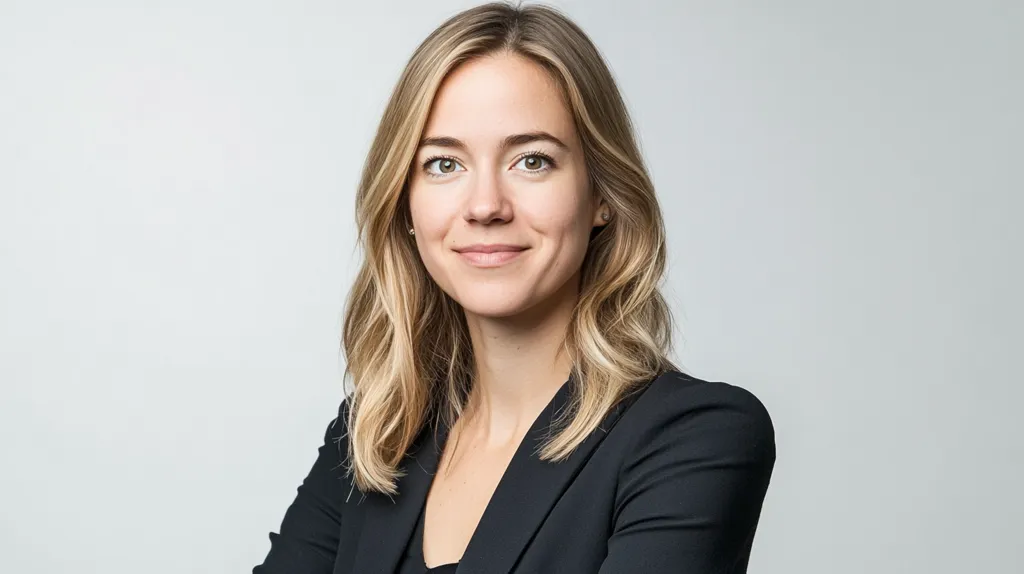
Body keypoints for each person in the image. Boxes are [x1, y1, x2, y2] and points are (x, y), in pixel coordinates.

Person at [253, 2, 776, 573]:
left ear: (602, 194)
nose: (485, 207)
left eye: (532, 160)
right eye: (444, 165)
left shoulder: (695, 439)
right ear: (404, 202)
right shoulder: (373, 435)